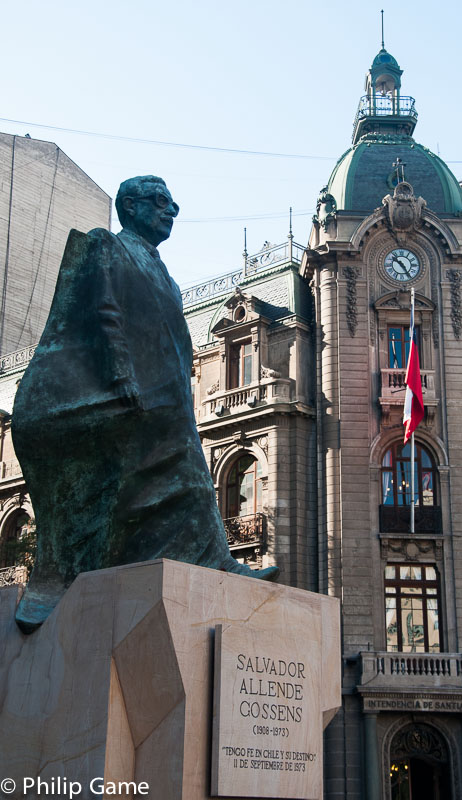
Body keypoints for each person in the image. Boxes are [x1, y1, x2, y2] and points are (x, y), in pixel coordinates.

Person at [13, 176, 279, 633]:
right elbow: (102, 313)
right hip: (118, 394)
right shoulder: (106, 247)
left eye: (173, 203)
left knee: (193, 478)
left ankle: (216, 560)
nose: (171, 210)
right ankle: (61, 579)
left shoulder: (169, 281)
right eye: (160, 202)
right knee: (151, 483)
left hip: (164, 403)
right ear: (130, 207)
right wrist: (120, 376)